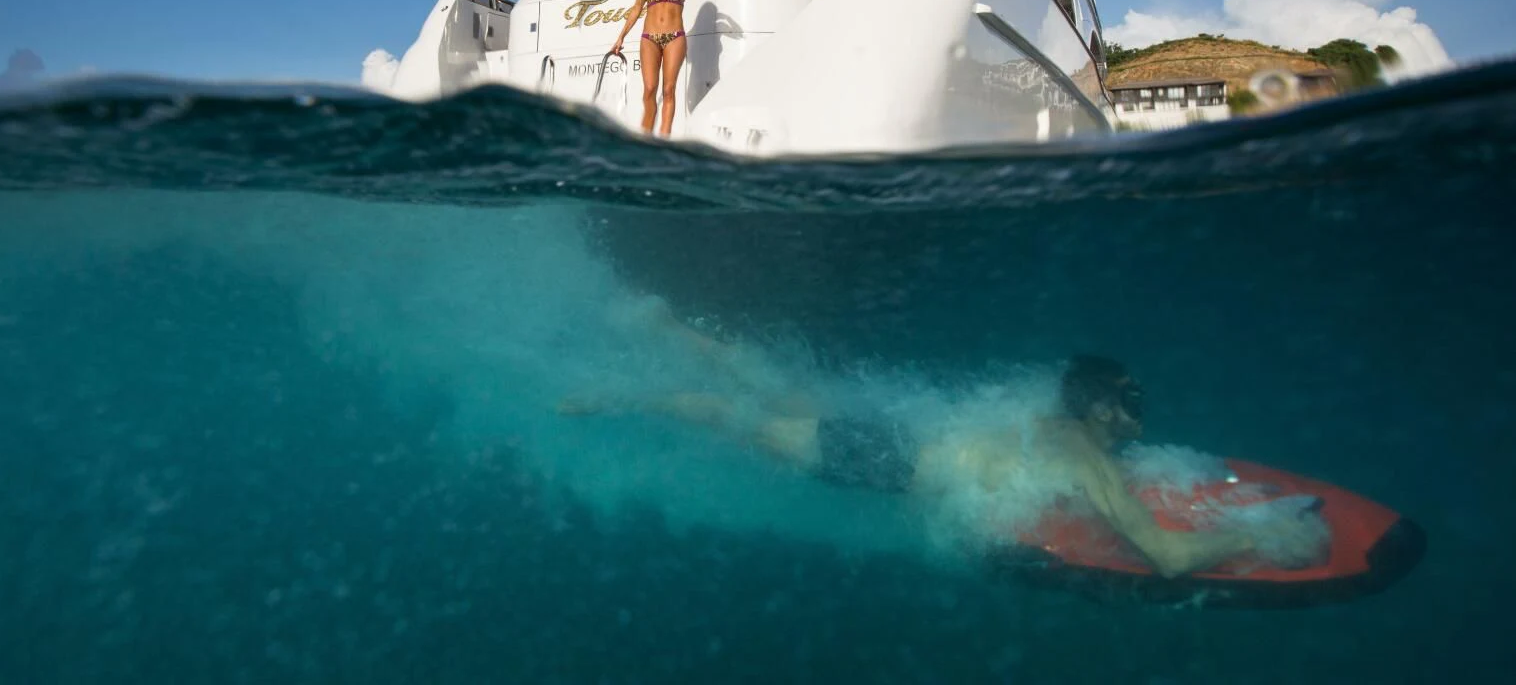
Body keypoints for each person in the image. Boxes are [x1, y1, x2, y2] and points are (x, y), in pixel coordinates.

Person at [560, 313, 1325, 580]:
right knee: (737, 416)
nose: (1141, 410)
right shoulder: (1085, 456)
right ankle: (617, 395)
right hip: (883, 458)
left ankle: (662, 327)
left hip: (901, 440)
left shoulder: (1061, 433)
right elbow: (1165, 556)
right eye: (1131, 398)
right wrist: (1263, 537)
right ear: (1096, 403)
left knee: (770, 393)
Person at [608, 0, 708, 136]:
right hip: (650, 38)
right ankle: (645, 135)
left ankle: (663, 137)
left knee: (669, 90)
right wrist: (621, 37)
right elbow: (637, 9)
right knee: (650, 89)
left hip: (675, 37)